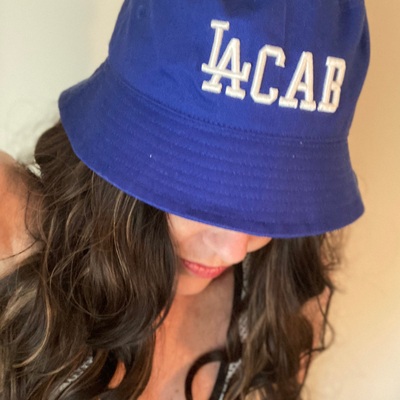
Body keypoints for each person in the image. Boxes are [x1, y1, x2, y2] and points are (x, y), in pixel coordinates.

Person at [0, 0, 369, 399]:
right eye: (205, 187)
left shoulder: (283, 301)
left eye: (277, 200)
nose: (234, 250)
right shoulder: (16, 238)